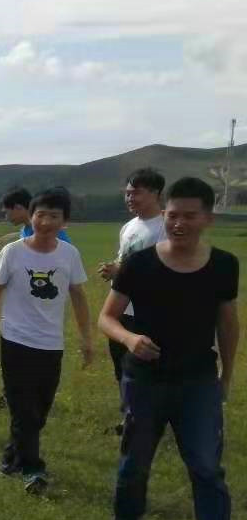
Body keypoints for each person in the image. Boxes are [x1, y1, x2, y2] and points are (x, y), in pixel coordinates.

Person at [100, 176, 238, 520]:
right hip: (145, 381)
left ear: (207, 219)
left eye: (189, 216)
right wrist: (130, 338)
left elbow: (228, 325)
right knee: (136, 461)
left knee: (207, 467)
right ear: (164, 215)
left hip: (198, 381)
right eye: (172, 215)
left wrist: (225, 377)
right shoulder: (141, 264)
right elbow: (107, 317)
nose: (179, 223)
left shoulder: (223, 264)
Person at [0, 188, 94, 493]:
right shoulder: (13, 252)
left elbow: (79, 297)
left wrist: (87, 339)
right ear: (31, 216)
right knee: (23, 408)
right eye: (40, 214)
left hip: (51, 343)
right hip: (15, 340)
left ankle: (10, 459)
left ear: (64, 221)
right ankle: (33, 469)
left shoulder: (69, 254)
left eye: (54, 216)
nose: (45, 221)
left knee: (40, 408)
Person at [98, 168, 167, 424]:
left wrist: (124, 271)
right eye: (127, 193)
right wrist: (113, 270)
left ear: (156, 193)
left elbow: (168, 272)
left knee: (147, 370)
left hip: (149, 313)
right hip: (120, 312)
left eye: (135, 193)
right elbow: (123, 261)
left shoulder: (165, 226)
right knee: (122, 368)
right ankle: (129, 416)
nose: (129, 198)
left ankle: (152, 420)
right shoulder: (129, 227)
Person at [0, 187, 72, 246]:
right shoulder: (24, 231)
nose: (6, 217)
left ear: (18, 207)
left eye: (6, 212)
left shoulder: (49, 229)